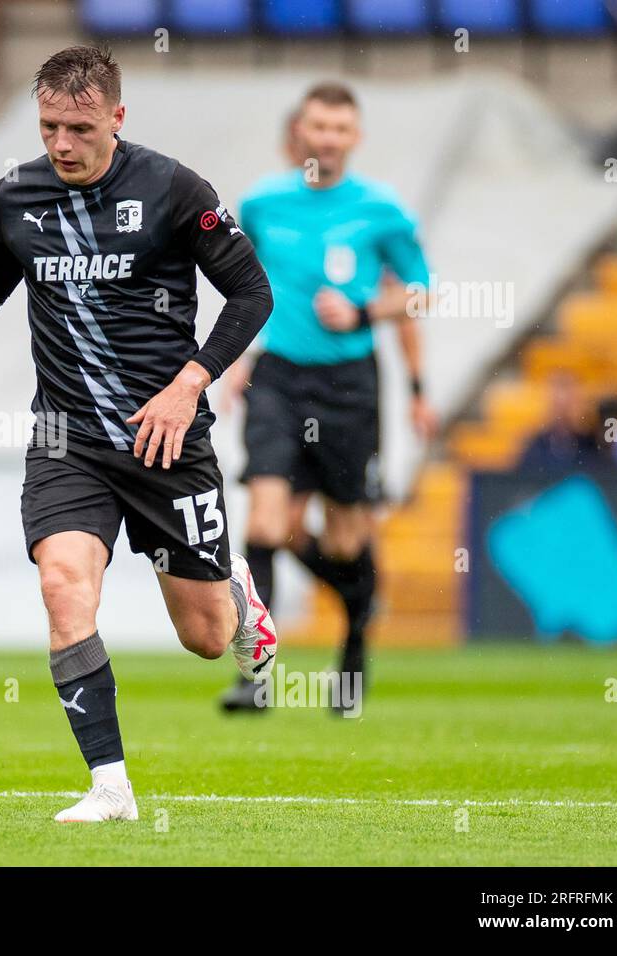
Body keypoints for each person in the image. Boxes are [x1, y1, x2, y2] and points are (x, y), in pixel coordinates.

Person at [0, 46, 276, 821]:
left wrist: (191, 382)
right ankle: (110, 788)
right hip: (66, 440)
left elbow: (252, 293)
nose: (61, 144)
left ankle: (235, 592)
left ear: (117, 117)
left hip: (165, 441)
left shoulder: (175, 190)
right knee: (62, 587)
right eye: (48, 126)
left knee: (208, 638)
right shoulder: (16, 196)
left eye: (79, 127)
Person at [219, 82, 435, 715]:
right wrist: (235, 358)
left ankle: (356, 635)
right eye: (318, 127)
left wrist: (366, 310)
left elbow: (421, 292)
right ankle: (254, 675)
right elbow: (243, 287)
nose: (328, 139)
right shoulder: (261, 203)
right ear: (300, 132)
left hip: (350, 385)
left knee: (344, 539)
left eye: (341, 129)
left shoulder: (381, 210)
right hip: (279, 379)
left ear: (355, 137)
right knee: (266, 523)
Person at [516, 373, 601, 477]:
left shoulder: (592, 445)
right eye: (557, 405)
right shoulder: (535, 446)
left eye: (569, 404)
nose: (562, 412)